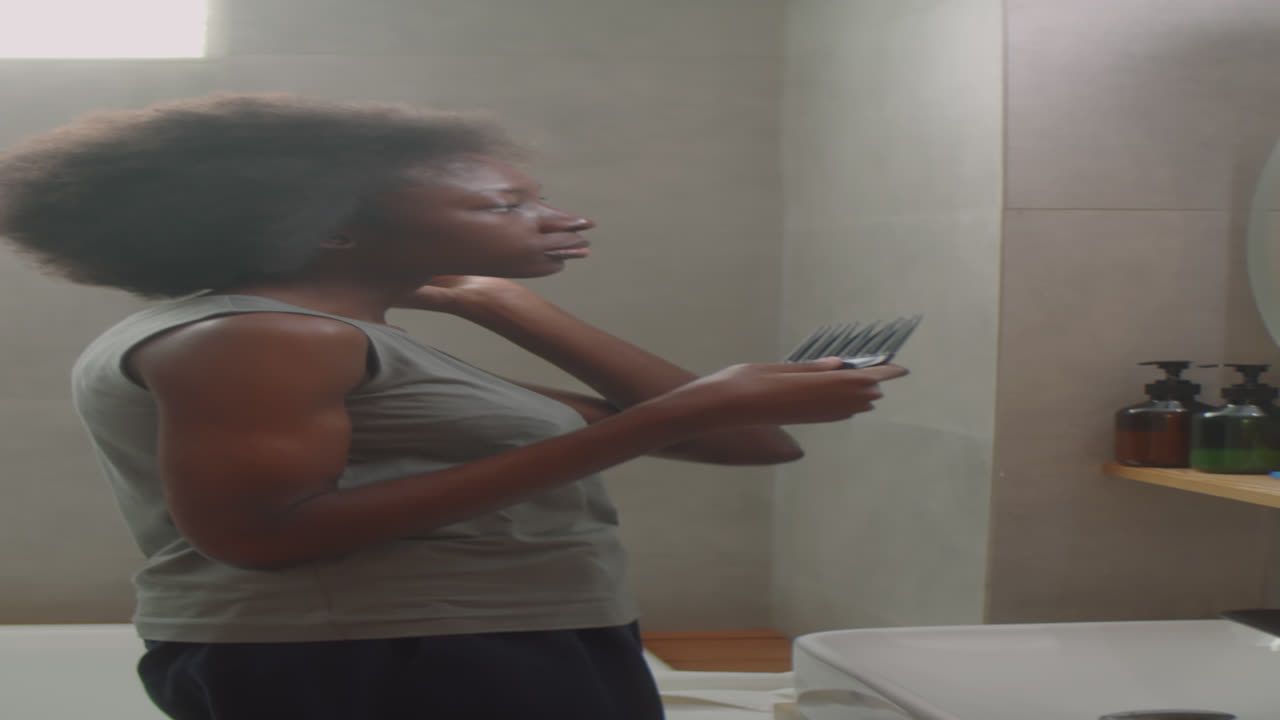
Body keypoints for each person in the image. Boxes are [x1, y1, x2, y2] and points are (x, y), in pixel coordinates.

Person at [0, 93, 907, 720]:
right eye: (504, 204)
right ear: (333, 230)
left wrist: (507, 304)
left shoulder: (345, 336)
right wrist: (667, 421)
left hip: (479, 642)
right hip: (384, 661)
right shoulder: (264, 338)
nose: (559, 218)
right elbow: (261, 535)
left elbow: (751, 440)